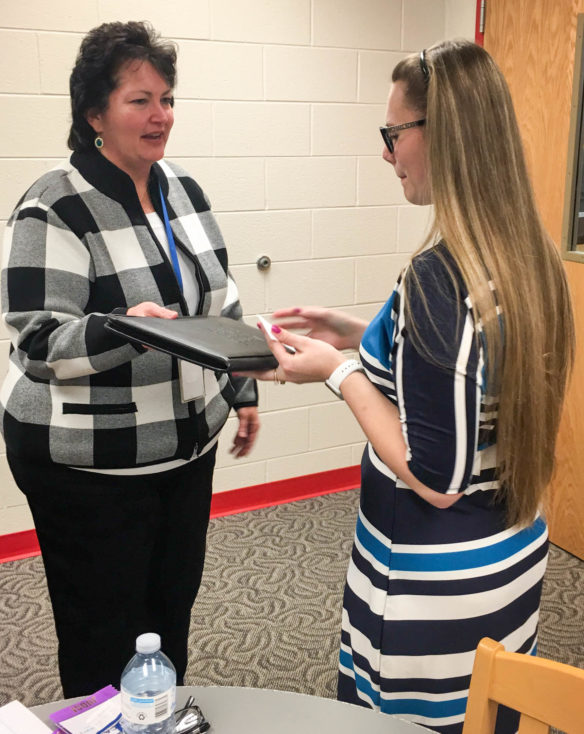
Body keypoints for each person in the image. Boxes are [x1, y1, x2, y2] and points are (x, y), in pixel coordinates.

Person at [239, 40, 575, 733]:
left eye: (393, 135)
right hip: (506, 561)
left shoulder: (438, 276)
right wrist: (357, 330)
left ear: (441, 134)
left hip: (433, 585)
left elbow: (436, 475)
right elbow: (469, 371)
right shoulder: (528, 257)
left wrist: (337, 371)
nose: (386, 154)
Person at [0, 21, 259, 698]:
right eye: (139, 100)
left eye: (167, 98)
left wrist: (242, 390)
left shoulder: (184, 191)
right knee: (102, 629)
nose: (160, 116)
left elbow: (220, 302)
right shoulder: (53, 206)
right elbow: (36, 339)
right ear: (94, 114)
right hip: (87, 463)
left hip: (181, 451)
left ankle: (159, 711)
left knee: (168, 615)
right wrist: (122, 328)